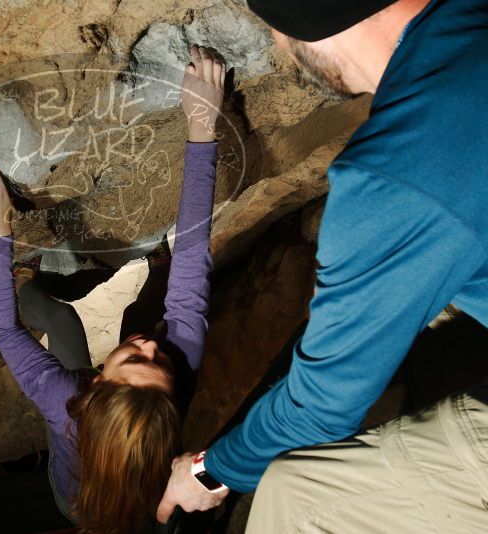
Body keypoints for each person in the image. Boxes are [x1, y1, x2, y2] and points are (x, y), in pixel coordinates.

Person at [157, 0, 488, 532]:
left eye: (274, 26)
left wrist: (210, 470)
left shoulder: (390, 175)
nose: (277, 45)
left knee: (297, 493)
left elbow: (322, 408)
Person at [0, 45, 226, 533]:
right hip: (150, 506)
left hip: (76, 503)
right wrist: (201, 128)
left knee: (62, 320)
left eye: (134, 361)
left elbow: (5, 330)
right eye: (162, 364)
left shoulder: (65, 403)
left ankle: (29, 282)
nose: (151, 348)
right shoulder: (175, 384)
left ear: (95, 386)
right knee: (140, 320)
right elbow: (195, 260)